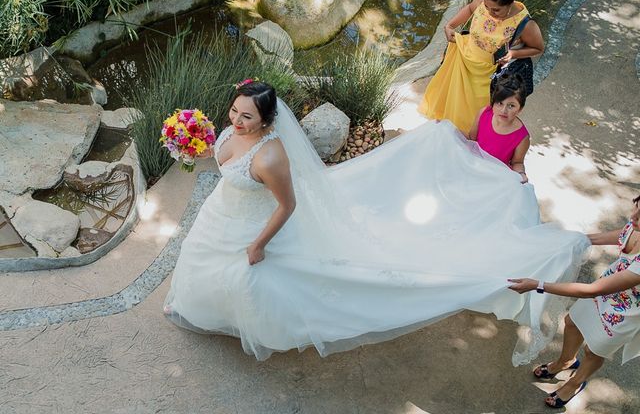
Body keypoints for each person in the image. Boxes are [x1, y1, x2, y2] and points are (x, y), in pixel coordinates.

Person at [164, 80, 589, 363]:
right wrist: (191, 148)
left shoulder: (271, 156)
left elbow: (287, 206)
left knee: (255, 279)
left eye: (247, 117)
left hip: (254, 227)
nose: (236, 122)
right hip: (223, 213)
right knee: (206, 261)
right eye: (235, 112)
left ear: (267, 122)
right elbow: (222, 158)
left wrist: (258, 244)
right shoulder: (230, 133)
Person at [508, 195, 640, 408]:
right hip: (608, 286)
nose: (633, 217)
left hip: (626, 311)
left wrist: (538, 284)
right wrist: (583, 239)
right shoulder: (636, 224)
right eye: (636, 207)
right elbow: (624, 234)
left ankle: (576, 382)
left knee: (594, 349)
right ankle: (565, 361)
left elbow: (592, 290)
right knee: (572, 322)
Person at [418, 0, 544, 134]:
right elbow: (470, 9)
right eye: (486, 7)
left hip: (486, 74)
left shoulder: (524, 23)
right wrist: (450, 25)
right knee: (450, 102)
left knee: (473, 114)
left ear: (510, 2)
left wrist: (513, 54)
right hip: (462, 58)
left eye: (496, 10)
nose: (489, 12)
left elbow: (538, 48)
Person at [468, 73, 530, 183]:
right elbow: (470, 139)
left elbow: (517, 162)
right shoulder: (484, 113)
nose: (503, 110)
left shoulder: (522, 137)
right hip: (473, 165)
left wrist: (521, 174)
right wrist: (449, 130)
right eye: (500, 103)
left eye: (511, 105)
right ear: (493, 101)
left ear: (520, 109)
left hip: (495, 177)